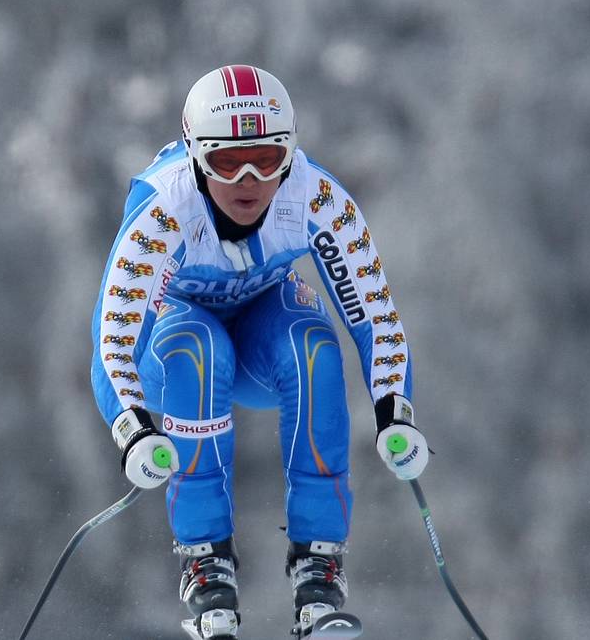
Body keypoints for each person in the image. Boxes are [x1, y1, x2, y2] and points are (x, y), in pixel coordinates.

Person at [90, 64, 429, 639]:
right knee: (199, 350)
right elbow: (113, 341)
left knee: (313, 347)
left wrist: (394, 412)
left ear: (290, 156)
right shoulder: (163, 210)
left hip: (259, 330)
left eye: (267, 160)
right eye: (228, 163)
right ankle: (206, 562)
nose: (249, 181)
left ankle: (319, 568)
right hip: (173, 339)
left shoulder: (316, 197)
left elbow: (375, 316)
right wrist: (133, 429)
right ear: (197, 159)